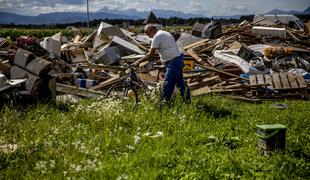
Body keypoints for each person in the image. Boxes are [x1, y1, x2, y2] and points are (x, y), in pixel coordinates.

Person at [133, 25, 190, 103]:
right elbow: (167, 48)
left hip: (173, 62)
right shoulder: (164, 33)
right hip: (177, 59)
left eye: (147, 33)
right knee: (181, 83)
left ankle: (165, 104)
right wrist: (163, 61)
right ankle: (187, 102)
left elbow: (150, 55)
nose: (147, 35)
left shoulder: (157, 37)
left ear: (151, 30)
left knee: (168, 84)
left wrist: (138, 62)